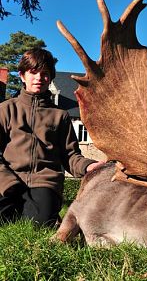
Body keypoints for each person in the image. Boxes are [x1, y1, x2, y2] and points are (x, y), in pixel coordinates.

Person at [0, 48, 103, 227]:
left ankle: (48, 214)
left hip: (44, 182)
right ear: (22, 75)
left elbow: (70, 156)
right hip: (8, 179)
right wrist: (7, 182)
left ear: (50, 78)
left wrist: (89, 166)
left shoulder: (60, 116)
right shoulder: (6, 110)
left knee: (36, 225)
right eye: (33, 72)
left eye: (45, 73)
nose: (39, 78)